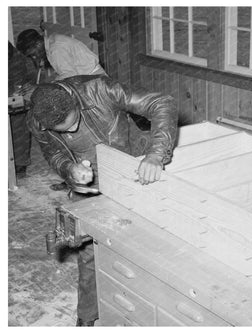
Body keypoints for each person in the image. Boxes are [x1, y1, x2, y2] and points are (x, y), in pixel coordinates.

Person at [28, 74, 178, 326]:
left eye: (74, 122)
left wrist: (155, 154)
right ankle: (86, 316)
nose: (73, 130)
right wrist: (69, 170)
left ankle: (146, 309)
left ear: (75, 102)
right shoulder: (39, 120)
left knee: (145, 242)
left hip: (130, 167)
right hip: (88, 182)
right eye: (63, 130)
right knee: (88, 249)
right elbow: (52, 152)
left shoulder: (99, 89)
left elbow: (162, 103)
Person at [16, 29, 106, 81]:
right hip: (91, 78)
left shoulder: (55, 49)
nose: (35, 57)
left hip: (94, 80)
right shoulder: (52, 40)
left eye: (33, 54)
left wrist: (50, 86)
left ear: (38, 44)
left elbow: (70, 75)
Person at [8, 42, 38, 177]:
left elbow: (31, 80)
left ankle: (20, 163)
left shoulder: (20, 60)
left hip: (19, 95)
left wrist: (25, 87)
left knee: (19, 123)